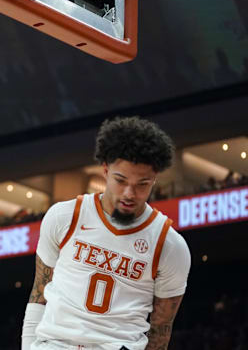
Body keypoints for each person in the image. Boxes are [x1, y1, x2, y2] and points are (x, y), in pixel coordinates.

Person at [22, 117, 191, 350]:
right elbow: (38, 296)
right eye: (121, 180)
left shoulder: (170, 244)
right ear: (105, 169)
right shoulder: (64, 216)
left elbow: (161, 329)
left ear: (155, 180)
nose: (129, 193)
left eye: (142, 184)